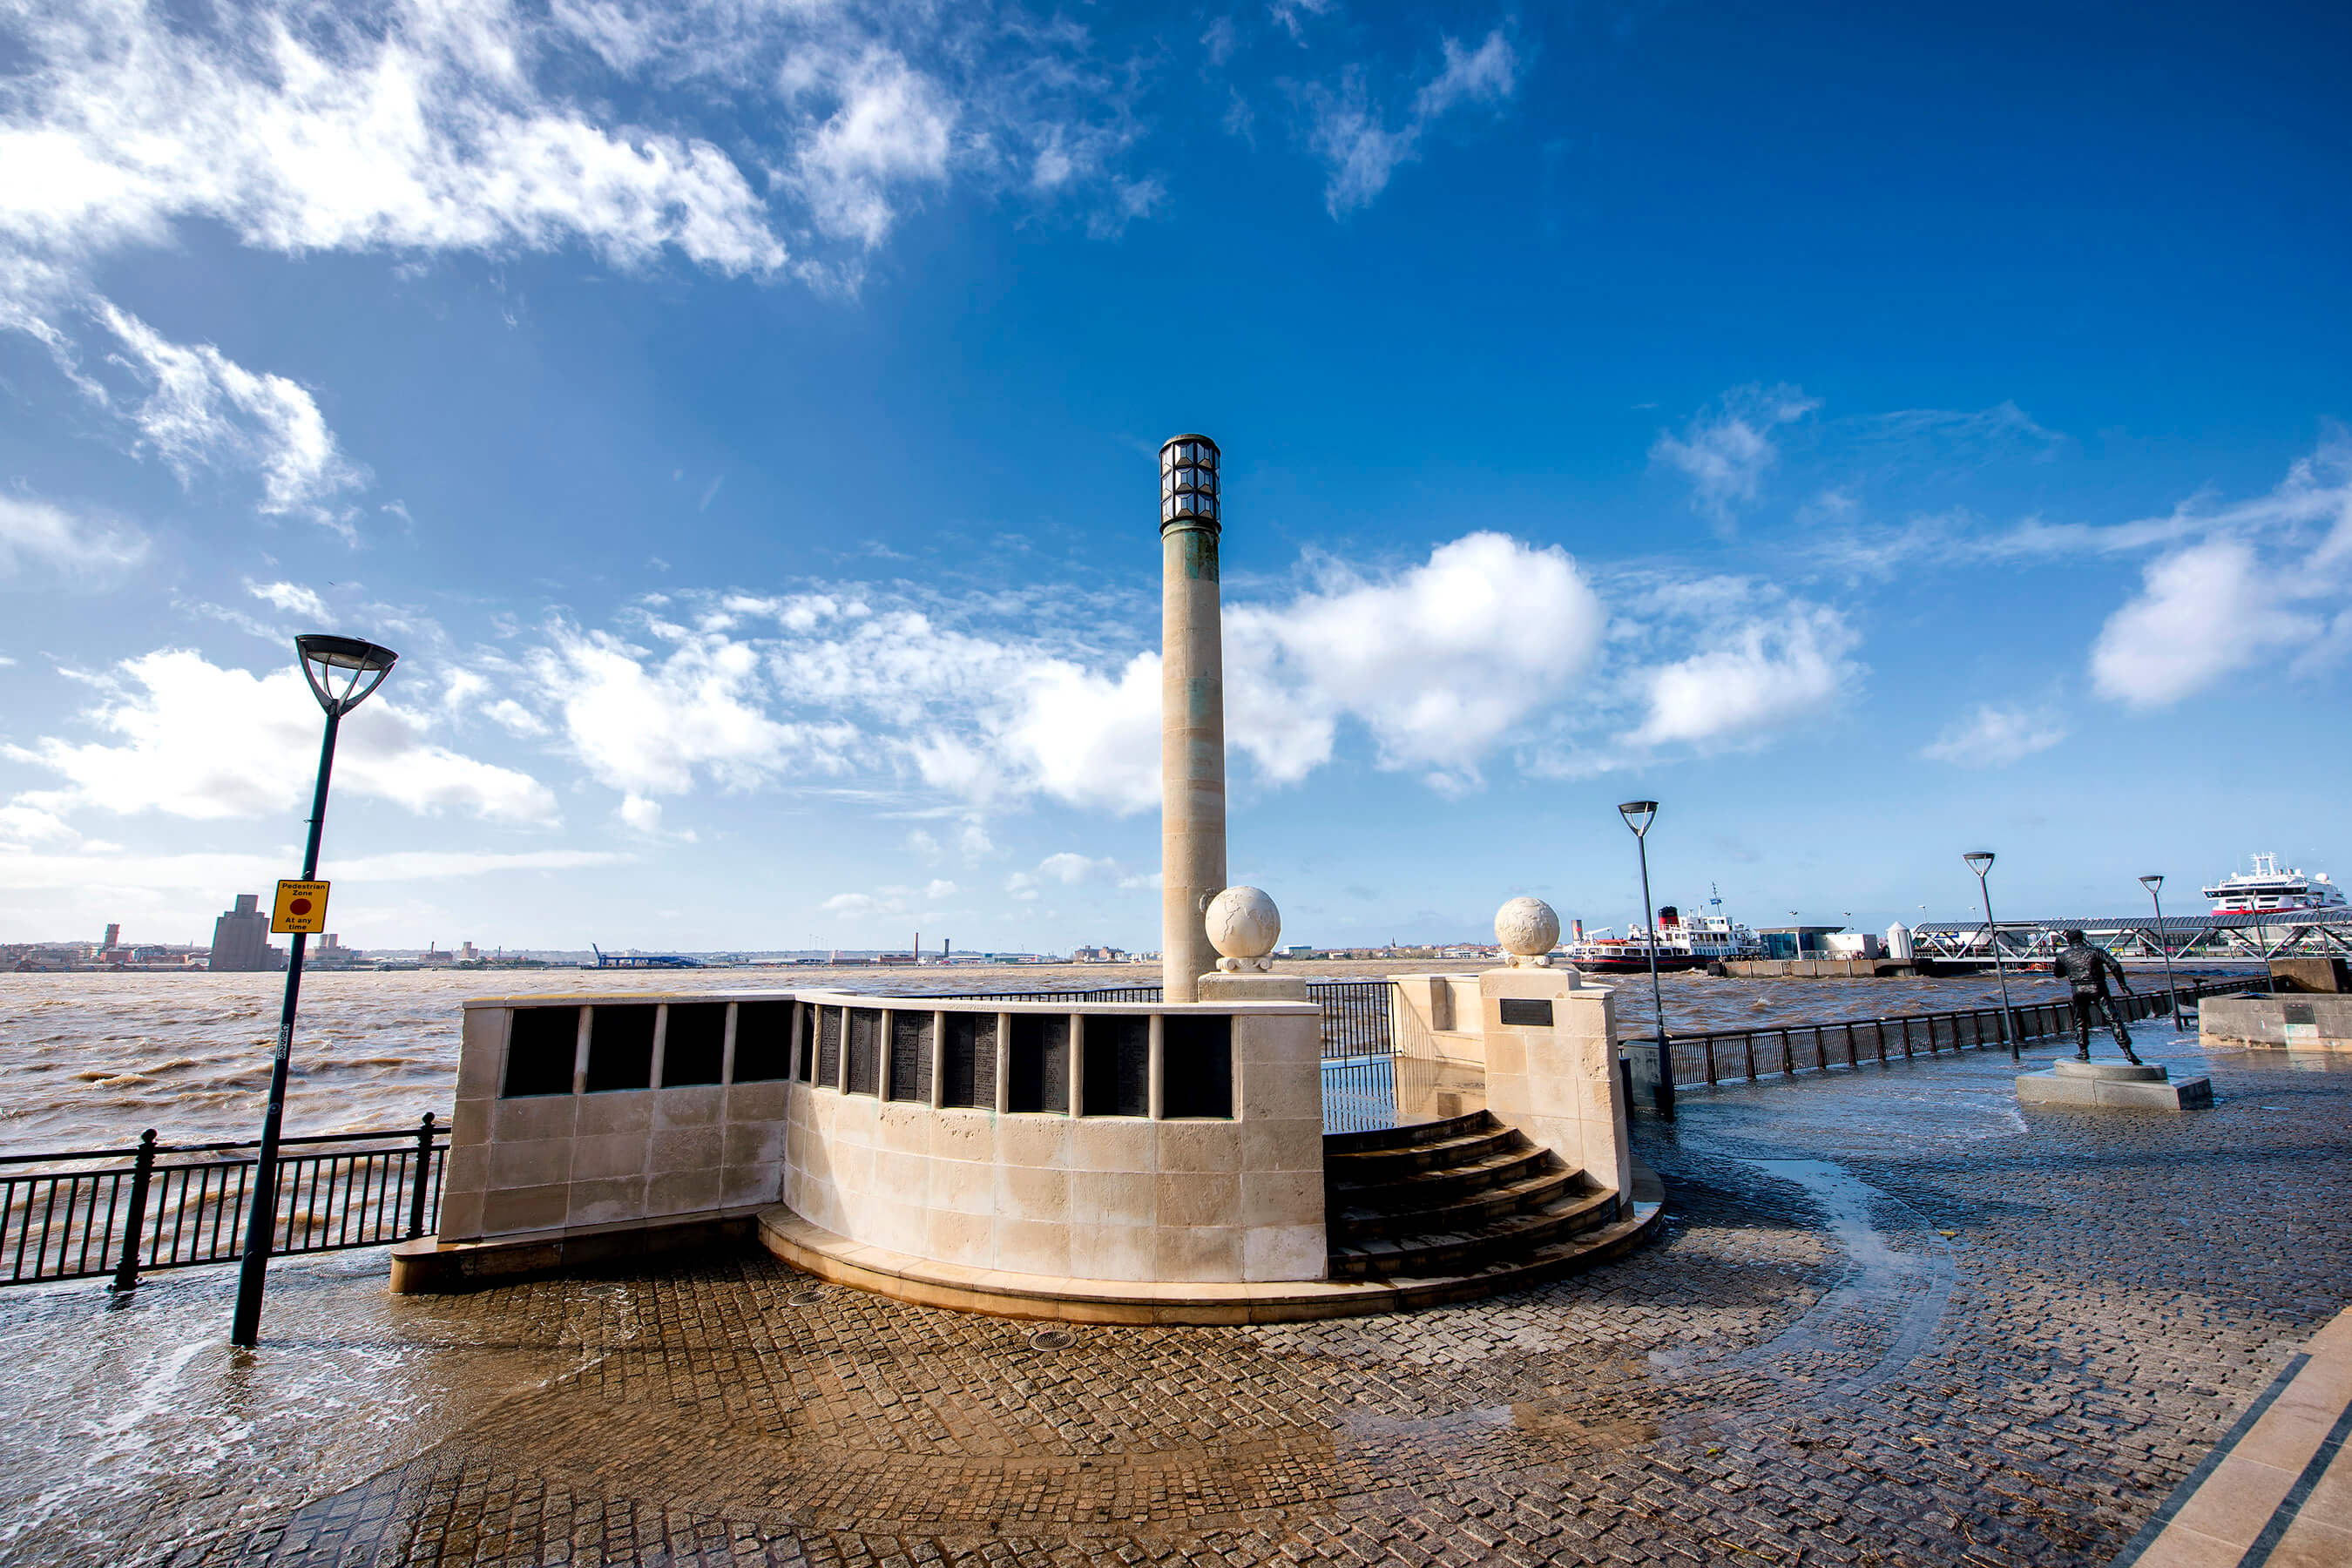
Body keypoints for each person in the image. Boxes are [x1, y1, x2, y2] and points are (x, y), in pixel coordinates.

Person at [2051, 929, 2140, 1064]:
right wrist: (2122, 984)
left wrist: (2071, 969)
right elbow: (2114, 965)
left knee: (2080, 1020)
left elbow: (2058, 974)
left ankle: (2083, 1052)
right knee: (2113, 1019)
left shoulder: (2063, 956)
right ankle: (2128, 1052)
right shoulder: (2095, 951)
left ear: (2068, 940)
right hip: (2098, 988)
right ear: (2083, 938)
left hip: (2078, 990)